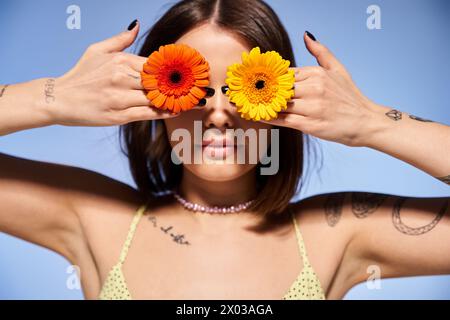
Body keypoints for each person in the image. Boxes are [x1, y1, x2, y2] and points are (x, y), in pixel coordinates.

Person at [0, 0, 449, 300]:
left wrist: (370, 122)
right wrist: (53, 97)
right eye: (189, 87)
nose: (218, 114)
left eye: (245, 88)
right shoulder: (93, 218)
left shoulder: (340, 233)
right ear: (154, 102)